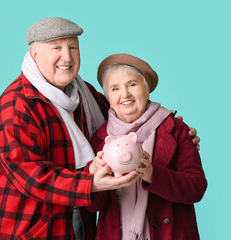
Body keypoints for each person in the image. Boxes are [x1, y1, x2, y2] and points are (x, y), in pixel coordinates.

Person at [0, 17, 199, 240]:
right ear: (34, 54)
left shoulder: (85, 95)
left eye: (73, 47)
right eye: (56, 48)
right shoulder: (15, 108)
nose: (67, 57)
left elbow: (125, 112)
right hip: (22, 227)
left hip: (74, 223)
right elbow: (33, 178)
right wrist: (91, 183)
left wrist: (172, 129)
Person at [85, 53, 207, 240]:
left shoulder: (175, 129)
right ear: (108, 97)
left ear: (147, 89)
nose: (125, 94)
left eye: (132, 84)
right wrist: (93, 176)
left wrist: (153, 174)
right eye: (115, 88)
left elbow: (196, 188)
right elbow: (93, 206)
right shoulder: (101, 138)